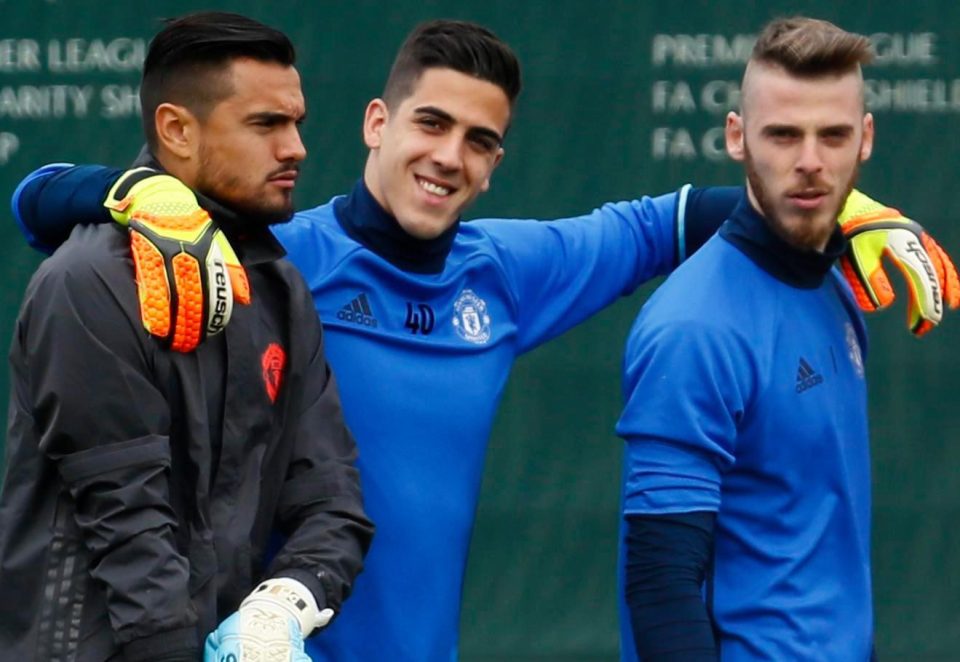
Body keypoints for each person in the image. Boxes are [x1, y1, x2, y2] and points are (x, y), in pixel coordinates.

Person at [10, 19, 955, 662]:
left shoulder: (506, 270)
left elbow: (666, 221)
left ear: (498, 162)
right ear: (377, 124)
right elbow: (37, 209)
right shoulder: (277, 259)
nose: (449, 156)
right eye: (430, 122)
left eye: (480, 139)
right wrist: (118, 188)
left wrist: (849, 214)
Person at [0, 12, 373, 662]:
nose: (296, 148)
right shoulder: (88, 280)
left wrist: (282, 602)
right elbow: (132, 537)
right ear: (175, 129)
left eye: (297, 124)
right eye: (266, 125)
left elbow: (332, 501)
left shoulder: (282, 290)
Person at [615, 17, 949, 660]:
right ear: (736, 137)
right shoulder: (693, 330)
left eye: (833, 136)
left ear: (866, 140)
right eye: (784, 134)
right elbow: (661, 589)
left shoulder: (836, 286)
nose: (810, 162)